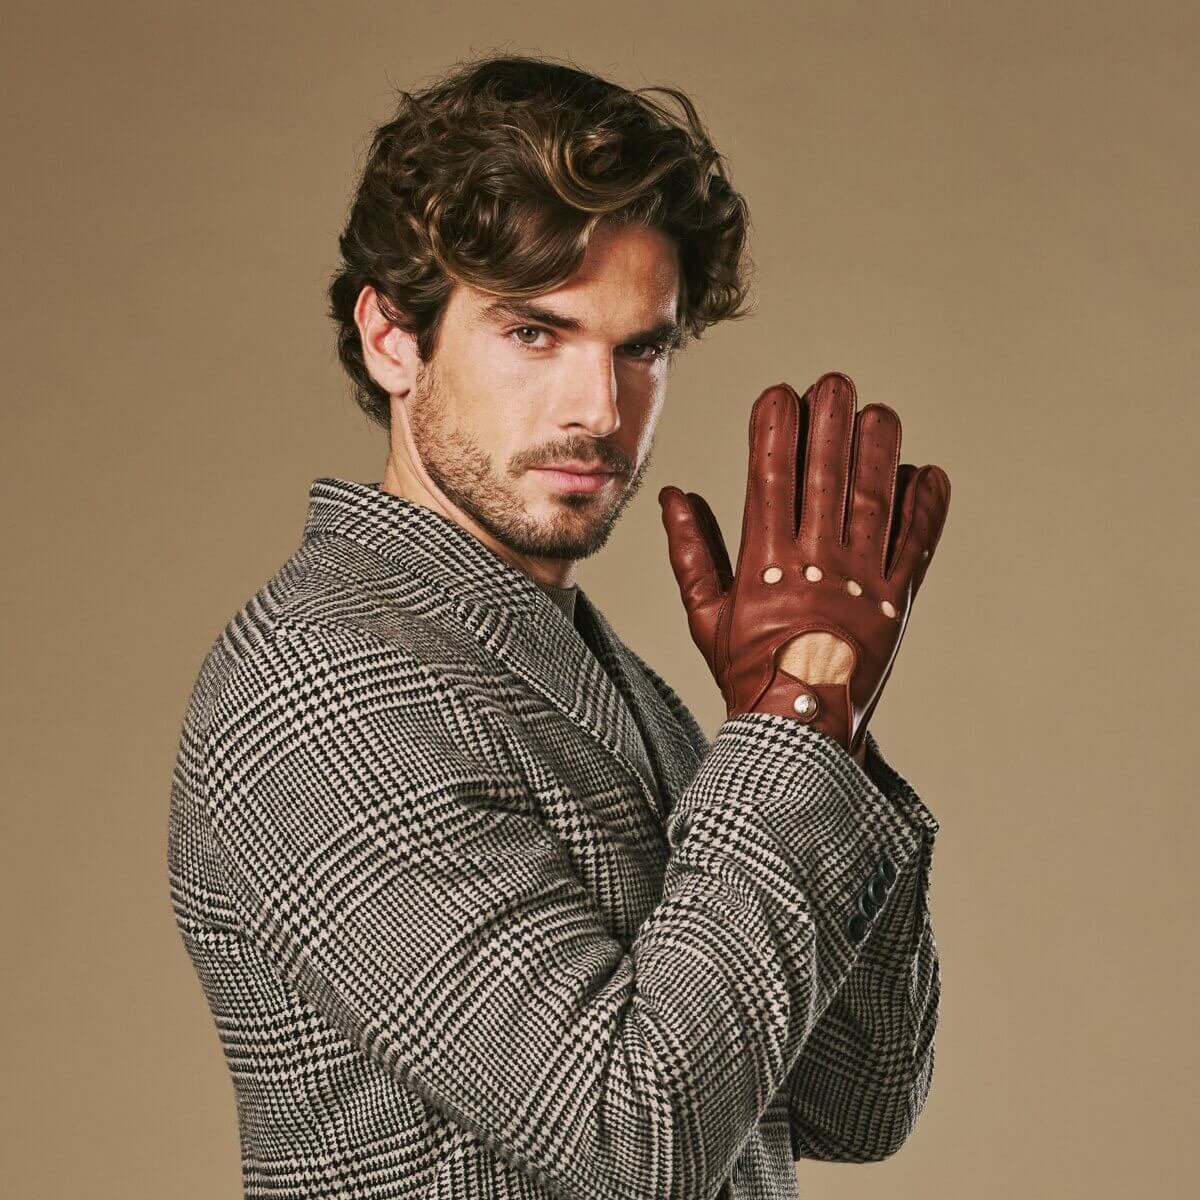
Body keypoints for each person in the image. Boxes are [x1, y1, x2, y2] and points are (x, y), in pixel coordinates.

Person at [167, 52, 950, 1200]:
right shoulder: (320, 687)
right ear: (392, 339)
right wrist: (797, 717)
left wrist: (823, 732)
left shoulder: (604, 677)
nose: (598, 408)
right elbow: (633, 1141)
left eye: (641, 348)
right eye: (535, 333)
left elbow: (857, 1101)